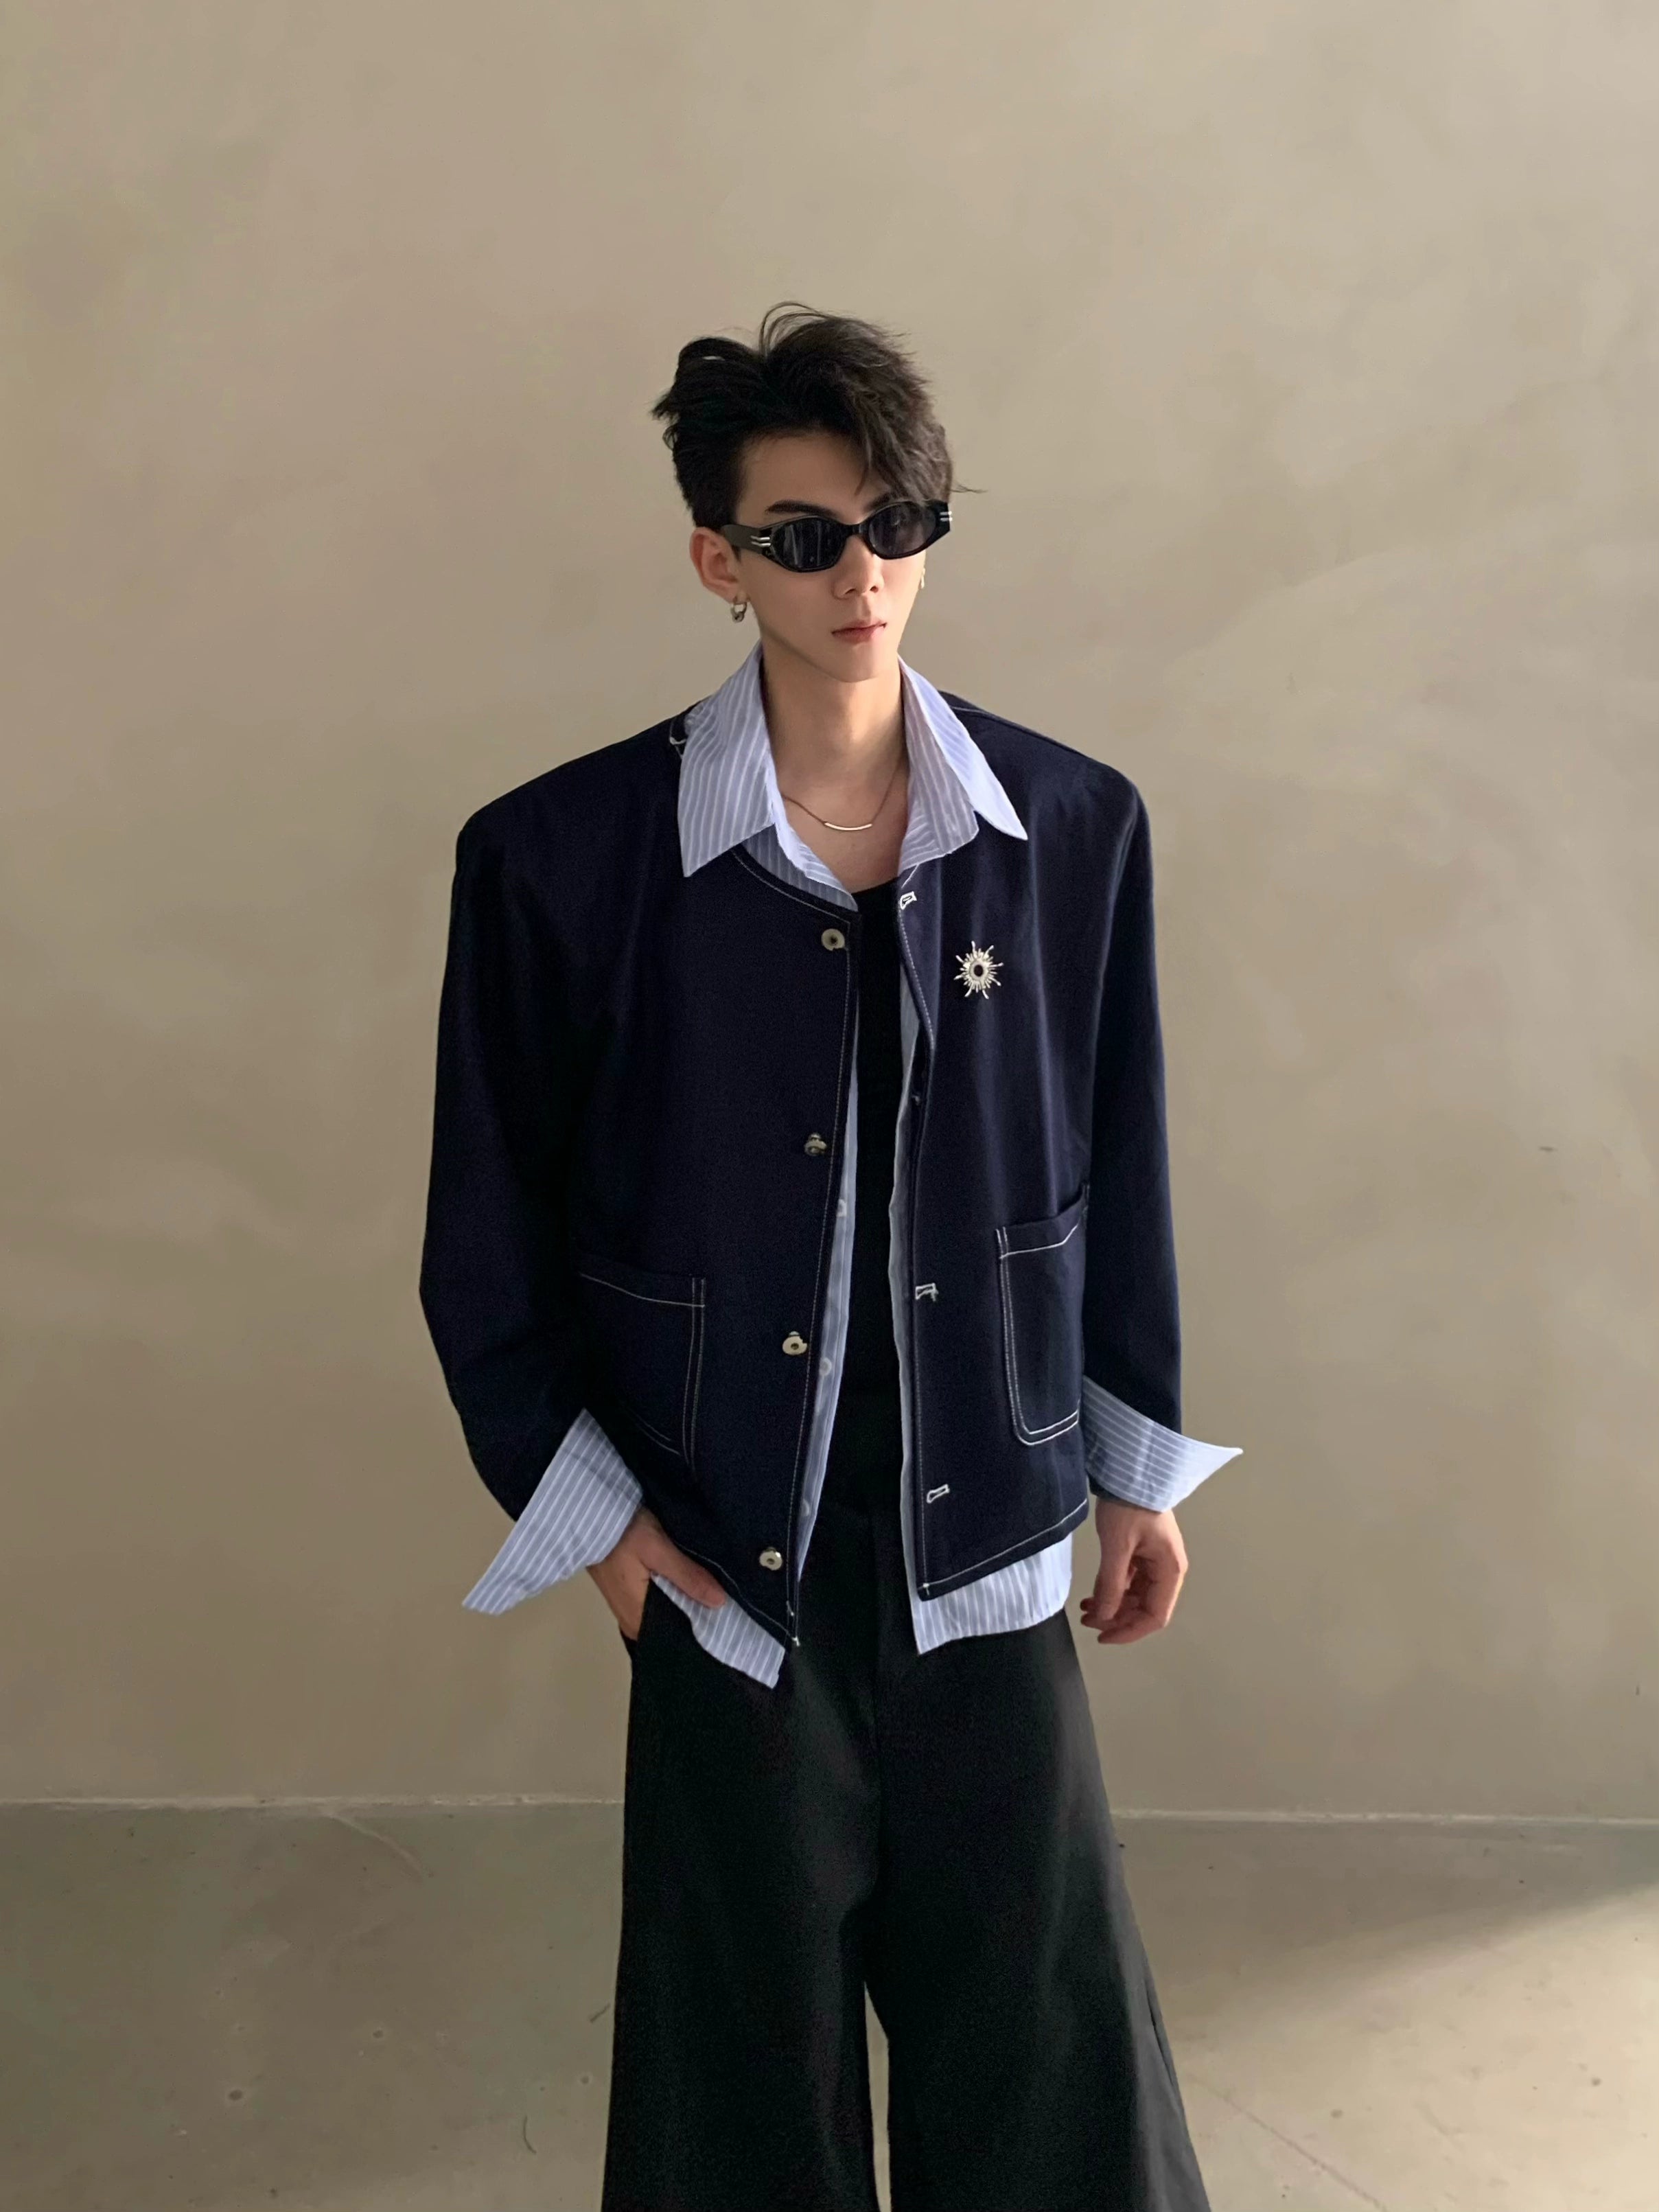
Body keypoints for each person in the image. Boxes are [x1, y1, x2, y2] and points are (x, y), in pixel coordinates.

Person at [419, 301, 1242, 2212]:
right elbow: (486, 1237)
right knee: (740, 2068)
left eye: (897, 524)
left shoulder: (1071, 831)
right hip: (727, 1542)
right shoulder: (560, 862)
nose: (858, 573)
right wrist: (604, 1533)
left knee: (1042, 2050)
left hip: (994, 1517)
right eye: (801, 537)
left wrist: (1133, 1466)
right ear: (718, 559)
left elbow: (1115, 1168)